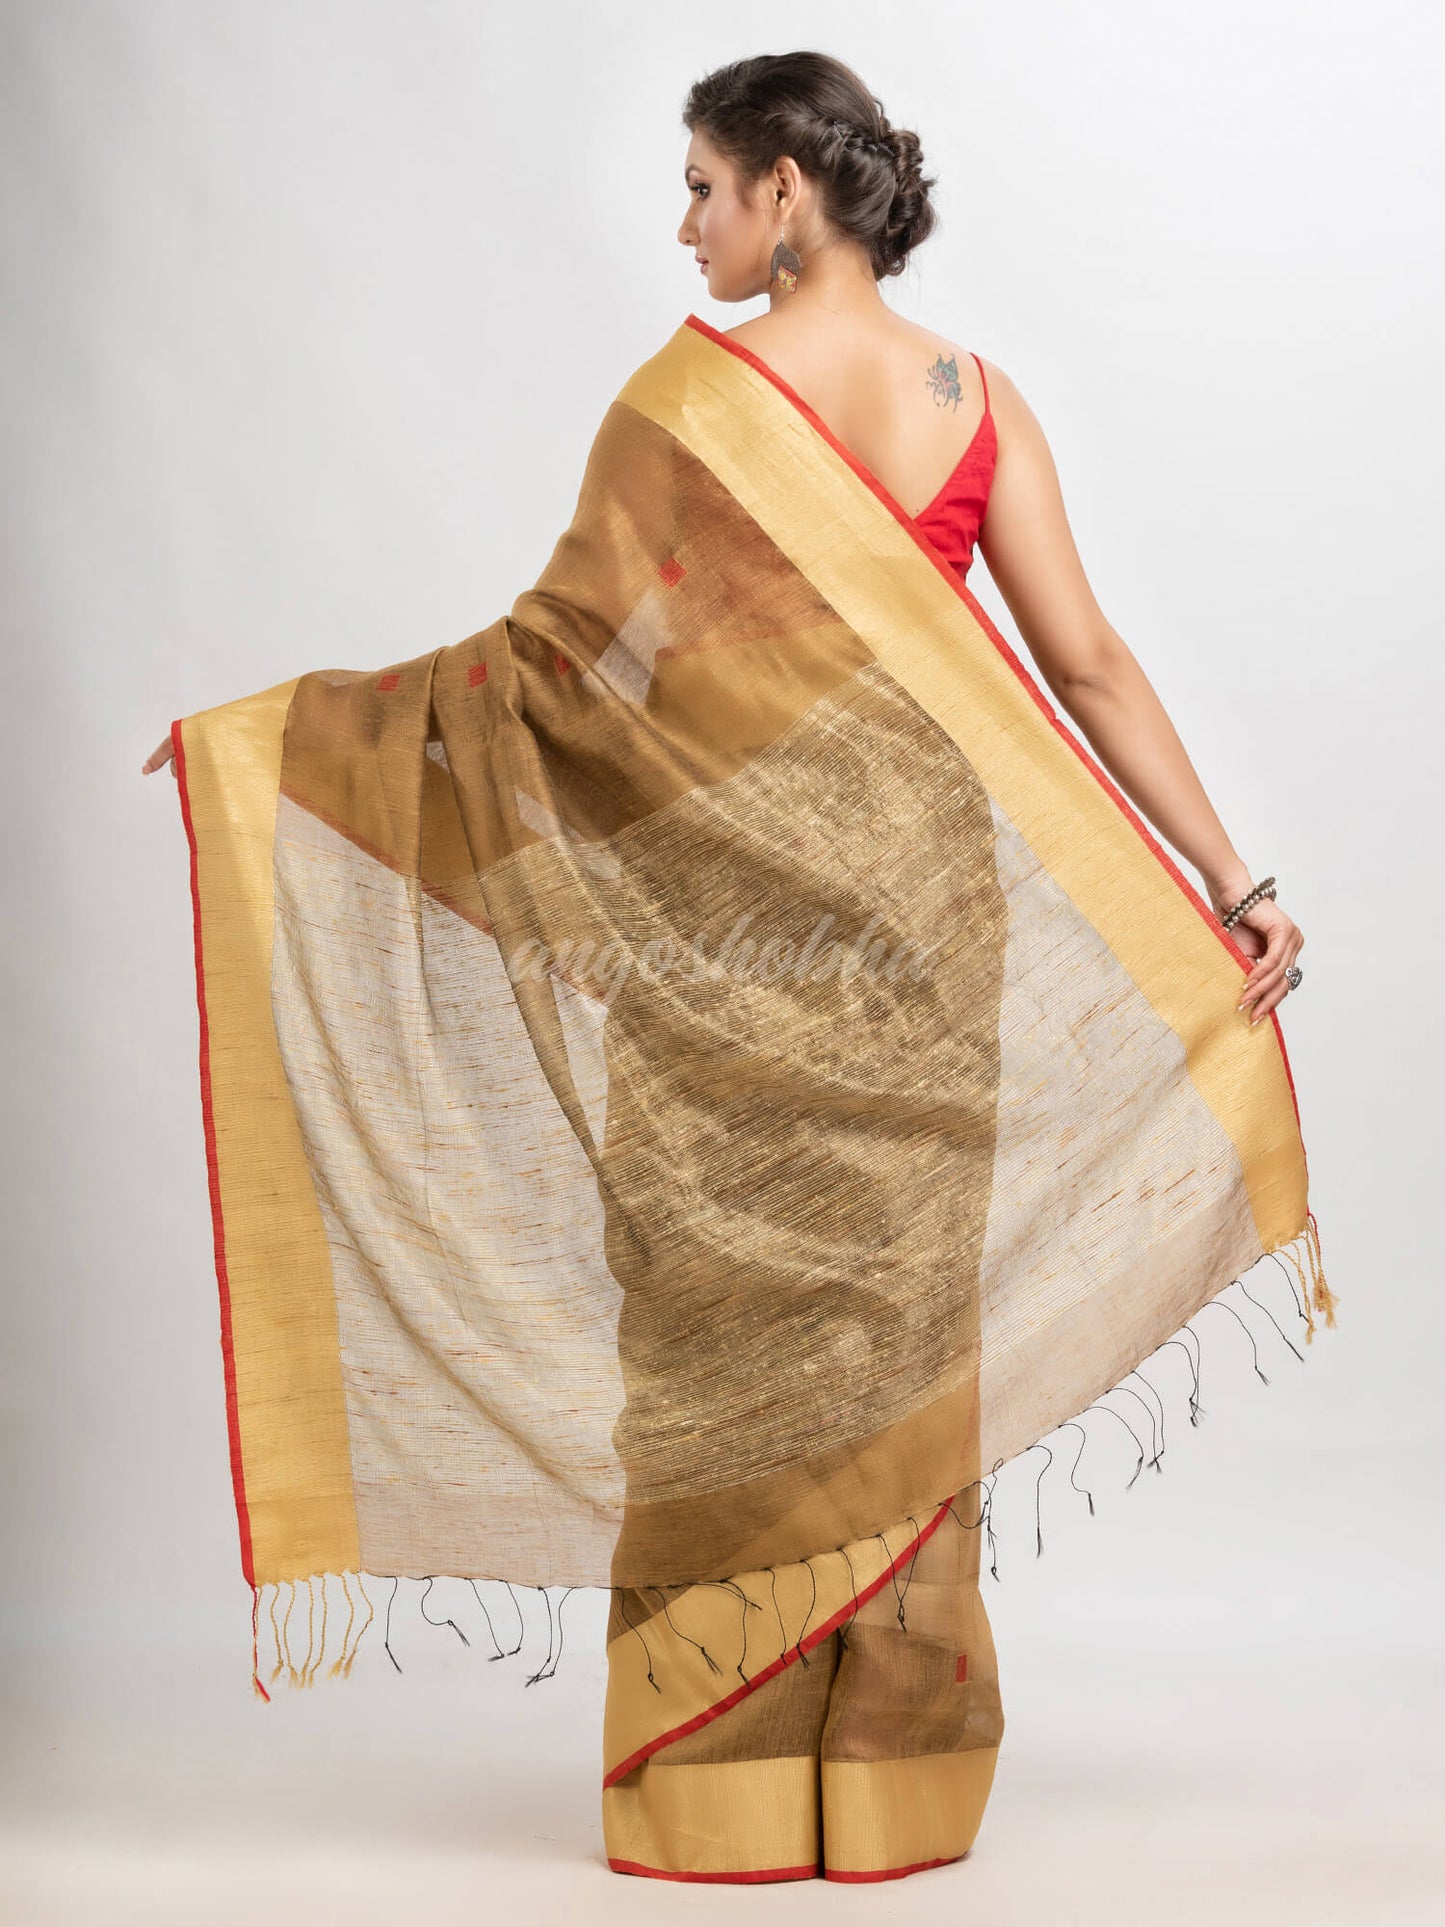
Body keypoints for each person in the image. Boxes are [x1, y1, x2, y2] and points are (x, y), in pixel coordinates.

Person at [143, 50, 1320, 1888]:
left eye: (701, 183)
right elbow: (1086, 662)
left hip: (726, 949)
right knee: (901, 1338)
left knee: (717, 1343)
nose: (682, 221)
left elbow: (550, 682)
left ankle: (723, 1791)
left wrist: (283, 752)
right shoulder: (974, 402)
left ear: (785, 188)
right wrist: (1230, 881)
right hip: (923, 940)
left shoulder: (689, 407)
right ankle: (888, 1785)